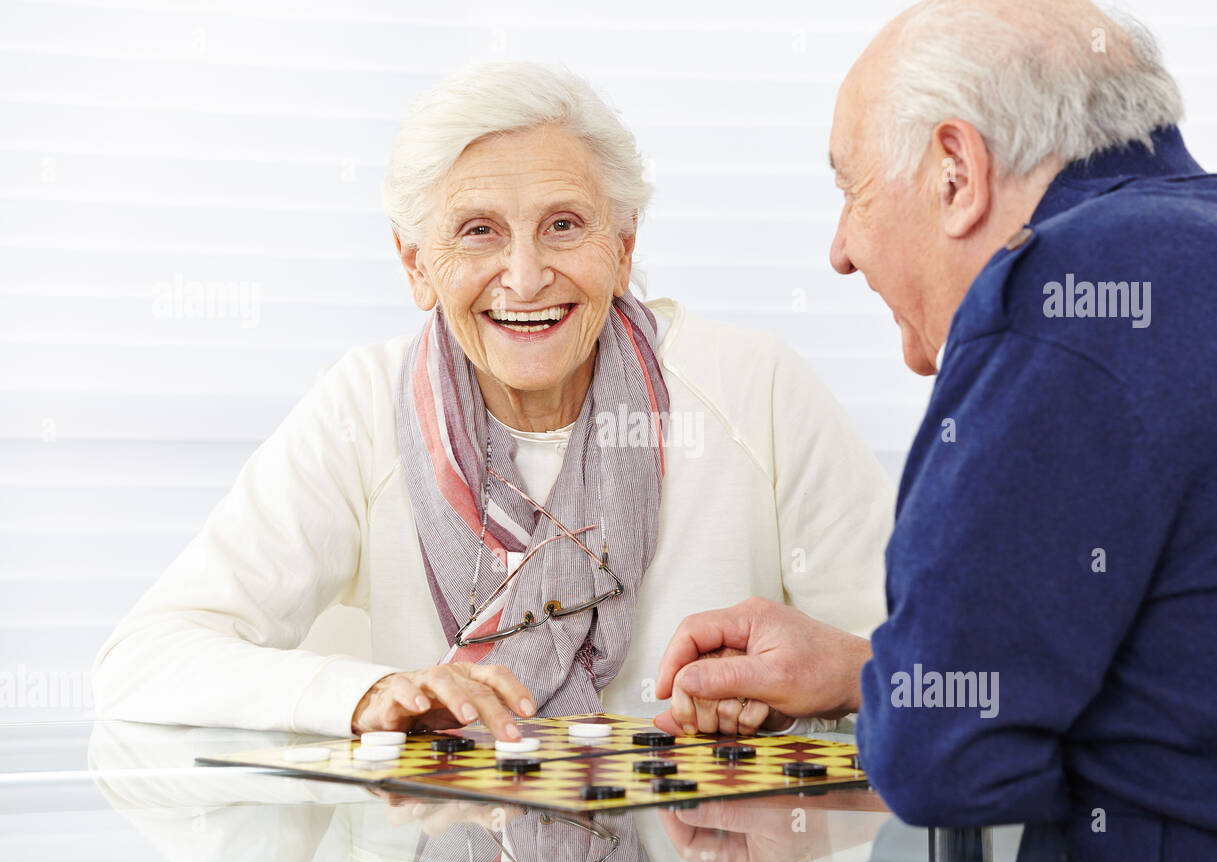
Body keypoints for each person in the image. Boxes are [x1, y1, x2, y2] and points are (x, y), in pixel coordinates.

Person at [654, 0, 1217, 862]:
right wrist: (866, 673)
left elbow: (940, 764)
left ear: (956, 171)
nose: (840, 251)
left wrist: (913, 708)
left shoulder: (1058, 295)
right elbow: (1207, 684)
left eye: (853, 190)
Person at [93, 61, 893, 744]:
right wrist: (361, 695)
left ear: (623, 247)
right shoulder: (361, 408)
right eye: (477, 231)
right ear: (415, 264)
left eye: (564, 225)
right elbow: (145, 658)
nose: (524, 276)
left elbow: (923, 666)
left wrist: (809, 699)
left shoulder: (757, 389)